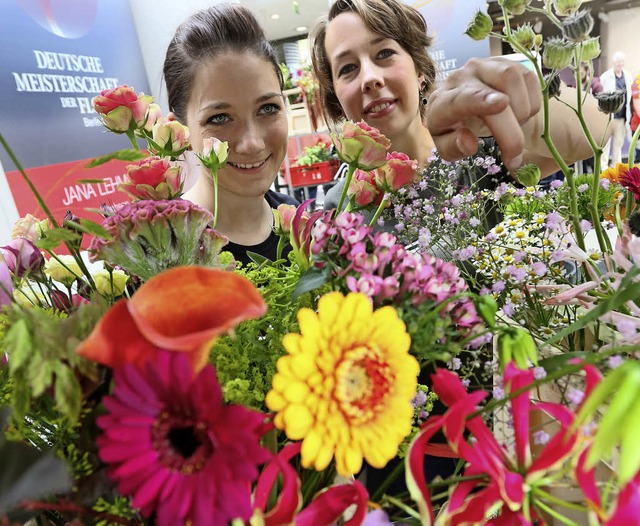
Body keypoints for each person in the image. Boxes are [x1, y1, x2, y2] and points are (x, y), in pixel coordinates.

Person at [311, 0, 609, 216]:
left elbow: (598, 130)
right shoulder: (341, 203)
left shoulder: (478, 152)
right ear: (336, 95)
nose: (370, 78)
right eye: (347, 68)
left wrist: (515, 114)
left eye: (384, 53)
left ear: (420, 71)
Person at [163, 3, 299, 267]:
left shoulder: (297, 222)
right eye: (220, 118)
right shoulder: (159, 251)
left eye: (268, 108)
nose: (252, 143)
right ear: (179, 132)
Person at [600, 51, 634, 169]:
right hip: (609, 116)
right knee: (606, 144)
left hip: (622, 116)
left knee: (618, 143)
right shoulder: (605, 76)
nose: (621, 64)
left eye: (622, 61)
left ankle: (616, 167)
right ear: (613, 63)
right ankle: (603, 168)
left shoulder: (628, 75)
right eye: (618, 61)